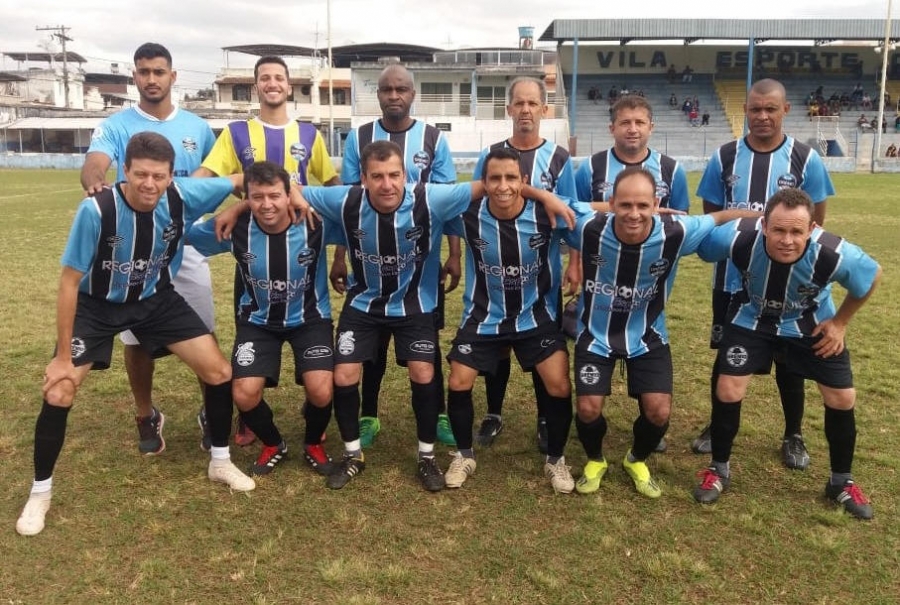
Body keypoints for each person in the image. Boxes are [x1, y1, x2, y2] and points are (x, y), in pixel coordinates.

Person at [297, 141, 571, 492]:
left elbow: (494, 185)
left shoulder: (431, 198)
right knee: (344, 373)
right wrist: (256, 204)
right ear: (362, 179)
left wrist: (543, 196)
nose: (387, 184)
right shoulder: (345, 199)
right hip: (364, 305)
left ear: (406, 175)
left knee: (424, 370)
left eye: (394, 175)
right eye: (377, 176)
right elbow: (286, 189)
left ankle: (427, 456)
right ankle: (352, 455)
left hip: (416, 304)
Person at [16, 133, 254, 537]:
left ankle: (219, 460)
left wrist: (249, 203)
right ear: (124, 171)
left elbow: (242, 178)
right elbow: (69, 283)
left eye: (158, 176)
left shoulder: (183, 194)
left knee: (218, 372)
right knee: (59, 390)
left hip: (154, 299)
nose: (149, 184)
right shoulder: (96, 210)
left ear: (169, 176)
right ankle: (40, 492)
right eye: (140, 174)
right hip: (95, 305)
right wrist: (60, 358)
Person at [567, 167, 759, 500]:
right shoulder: (588, 226)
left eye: (643, 205)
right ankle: (595, 460)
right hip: (596, 335)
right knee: (587, 409)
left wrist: (768, 216)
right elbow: (552, 205)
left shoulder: (677, 231)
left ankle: (635, 459)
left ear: (657, 204)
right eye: (625, 205)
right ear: (610, 203)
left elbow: (721, 217)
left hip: (648, 336)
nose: (634, 214)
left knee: (659, 412)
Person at [693, 189, 881, 520]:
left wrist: (839, 323)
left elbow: (871, 276)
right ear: (763, 225)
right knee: (728, 388)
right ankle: (718, 469)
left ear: (812, 229)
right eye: (778, 230)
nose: (787, 240)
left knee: (842, 397)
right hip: (752, 318)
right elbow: (705, 248)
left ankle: (841, 482)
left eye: (797, 231)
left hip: (810, 324)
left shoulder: (834, 252)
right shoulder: (738, 237)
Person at [194, 55, 340, 452]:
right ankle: (252, 416)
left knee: (321, 384)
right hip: (252, 243)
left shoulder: (309, 135)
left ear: (289, 86)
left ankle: (311, 420)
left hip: (299, 247)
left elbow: (332, 184)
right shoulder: (237, 132)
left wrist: (296, 197)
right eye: (264, 78)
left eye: (279, 77)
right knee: (255, 318)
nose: (272, 83)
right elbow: (208, 179)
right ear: (256, 85)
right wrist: (238, 205)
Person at [80, 42, 216, 456]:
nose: (151, 79)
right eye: (143, 72)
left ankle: (212, 412)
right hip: (134, 250)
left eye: (159, 71)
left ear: (173, 77)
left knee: (204, 331)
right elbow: (95, 162)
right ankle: (146, 414)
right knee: (136, 341)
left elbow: (213, 176)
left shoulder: (197, 127)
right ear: (134, 76)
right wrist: (95, 181)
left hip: (186, 245)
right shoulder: (117, 124)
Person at [692, 79, 835, 470]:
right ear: (746, 111)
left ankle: (793, 434)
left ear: (785, 110)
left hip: (789, 283)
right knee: (726, 357)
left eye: (770, 109)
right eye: (755, 109)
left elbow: (816, 222)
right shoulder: (724, 156)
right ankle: (715, 426)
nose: (762, 116)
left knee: (789, 359)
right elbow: (714, 216)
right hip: (732, 280)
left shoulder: (805, 159)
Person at [442, 147, 583, 493]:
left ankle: (556, 460)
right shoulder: (466, 213)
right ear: (484, 182)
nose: (503, 186)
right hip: (484, 315)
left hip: (535, 316)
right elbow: (419, 204)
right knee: (459, 381)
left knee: (559, 384)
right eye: (495, 178)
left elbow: (593, 212)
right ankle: (463, 455)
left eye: (510, 178)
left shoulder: (544, 213)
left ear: (523, 181)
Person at [187, 161, 338, 478]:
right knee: (243, 392)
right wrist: (234, 208)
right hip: (258, 322)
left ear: (288, 195)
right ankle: (274, 443)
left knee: (322, 390)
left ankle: (312, 443)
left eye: (274, 196)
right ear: (247, 198)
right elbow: (183, 232)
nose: (266, 204)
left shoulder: (314, 222)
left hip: (309, 319)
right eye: (257, 197)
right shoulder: (234, 227)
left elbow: (359, 208)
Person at [337, 64, 458, 449]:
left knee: (425, 341)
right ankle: (369, 414)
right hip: (370, 255)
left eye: (401, 89)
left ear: (412, 93)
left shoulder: (433, 139)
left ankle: (437, 414)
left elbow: (449, 203)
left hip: (419, 260)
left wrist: (453, 255)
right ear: (379, 95)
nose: (394, 95)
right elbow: (347, 205)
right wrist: (339, 257)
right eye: (387, 89)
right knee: (369, 343)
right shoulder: (358, 138)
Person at [469, 76, 579, 453]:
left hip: (539, 273)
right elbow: (477, 200)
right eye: (520, 103)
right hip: (495, 273)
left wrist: (575, 263)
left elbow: (568, 214)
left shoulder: (560, 158)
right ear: (509, 109)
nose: (526, 110)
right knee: (498, 345)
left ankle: (546, 419)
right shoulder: (492, 154)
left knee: (541, 346)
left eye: (534, 104)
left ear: (545, 110)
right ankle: (494, 413)